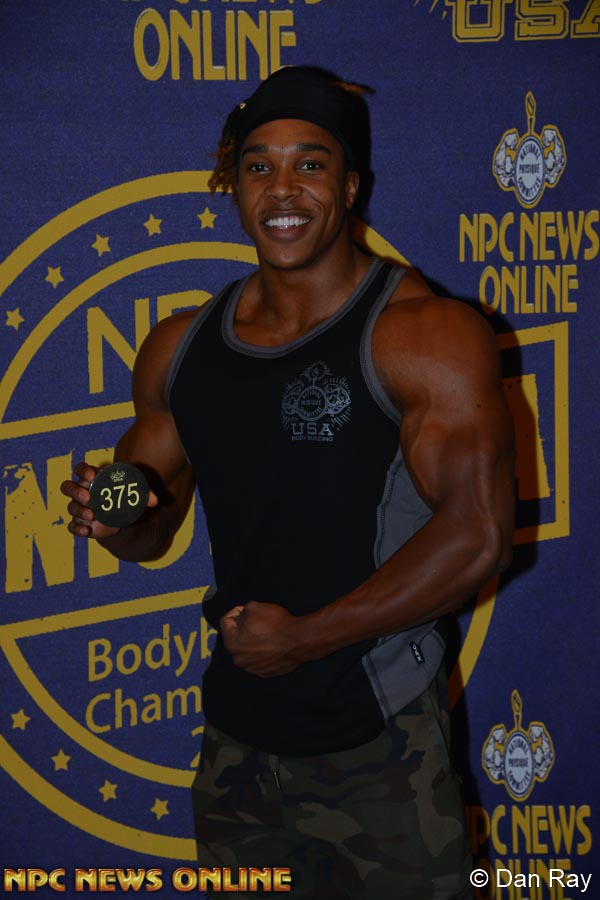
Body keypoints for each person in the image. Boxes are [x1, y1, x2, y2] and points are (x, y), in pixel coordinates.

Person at [62, 66, 514, 899]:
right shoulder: (181, 349)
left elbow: (477, 536)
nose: (282, 189)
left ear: (351, 186)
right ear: (234, 187)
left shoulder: (426, 335)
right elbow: (149, 528)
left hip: (380, 749)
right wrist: (116, 514)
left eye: (310, 164)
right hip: (237, 750)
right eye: (258, 166)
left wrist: (306, 638)